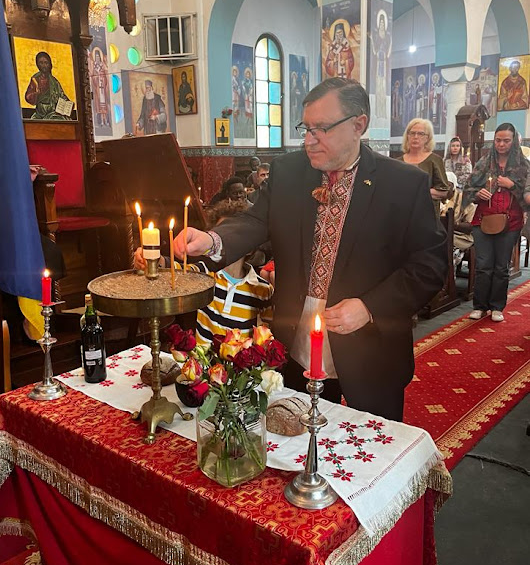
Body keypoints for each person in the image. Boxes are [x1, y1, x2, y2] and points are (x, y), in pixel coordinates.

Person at [171, 77, 447, 421]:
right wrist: (213, 240)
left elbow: (430, 265)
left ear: (358, 124)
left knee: (370, 454)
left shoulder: (404, 184)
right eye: (306, 128)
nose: (309, 141)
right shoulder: (290, 171)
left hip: (369, 345)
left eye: (321, 129)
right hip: (297, 337)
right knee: (298, 443)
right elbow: (257, 220)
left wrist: (370, 306)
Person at [134, 199, 273, 344]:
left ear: (249, 246)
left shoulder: (262, 289)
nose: (228, 241)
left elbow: (264, 337)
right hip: (201, 363)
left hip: (237, 366)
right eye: (222, 234)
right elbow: (175, 272)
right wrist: (153, 260)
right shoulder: (205, 274)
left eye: (234, 238)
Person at [0, 123, 65, 330]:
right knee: (29, 254)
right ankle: (28, 319)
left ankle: (36, 316)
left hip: (7, 233)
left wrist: (26, 181)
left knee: (47, 250)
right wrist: (7, 221)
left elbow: (14, 203)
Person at [462, 123, 528, 323]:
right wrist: (477, 194)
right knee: (483, 265)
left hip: (511, 222)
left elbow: (527, 195)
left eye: (506, 140)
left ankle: (497, 306)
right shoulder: (484, 162)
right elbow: (467, 189)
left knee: (501, 266)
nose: (501, 144)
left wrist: (512, 185)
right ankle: (480, 306)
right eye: (498, 140)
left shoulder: (523, 165)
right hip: (483, 221)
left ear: (513, 141)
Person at [398, 118, 450, 219]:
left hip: (426, 216)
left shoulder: (434, 160)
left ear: (427, 138)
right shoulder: (398, 162)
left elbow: (443, 191)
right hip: (402, 215)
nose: (415, 137)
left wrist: (418, 192)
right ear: (407, 136)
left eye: (421, 134)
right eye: (412, 133)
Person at [24, 51, 72, 120]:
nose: (44, 65)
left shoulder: (54, 81)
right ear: (37, 64)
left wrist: (68, 104)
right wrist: (36, 94)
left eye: (46, 63)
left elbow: (61, 95)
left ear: (49, 64)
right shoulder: (35, 80)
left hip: (54, 110)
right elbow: (28, 97)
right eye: (41, 63)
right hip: (41, 111)